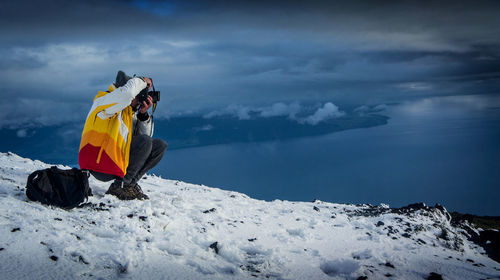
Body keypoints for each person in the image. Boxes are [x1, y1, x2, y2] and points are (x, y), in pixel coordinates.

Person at [79, 71, 167, 200]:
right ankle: (120, 186)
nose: (141, 100)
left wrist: (143, 115)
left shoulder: (128, 113)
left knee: (159, 145)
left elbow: (145, 142)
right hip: (98, 163)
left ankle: (128, 185)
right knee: (146, 141)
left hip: (115, 163)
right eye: (140, 95)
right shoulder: (104, 101)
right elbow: (127, 94)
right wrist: (142, 81)